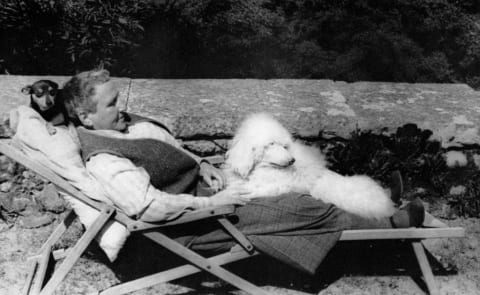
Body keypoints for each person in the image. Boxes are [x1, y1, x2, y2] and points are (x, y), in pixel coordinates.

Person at [62, 69, 425, 275]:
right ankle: (392, 225)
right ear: (86, 117)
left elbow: (169, 153)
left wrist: (202, 164)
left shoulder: (119, 130)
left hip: (203, 201)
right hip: (190, 229)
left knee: (291, 181)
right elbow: (148, 209)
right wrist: (215, 202)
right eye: (112, 104)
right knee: (301, 205)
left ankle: (379, 201)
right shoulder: (105, 160)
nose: (122, 109)